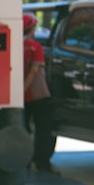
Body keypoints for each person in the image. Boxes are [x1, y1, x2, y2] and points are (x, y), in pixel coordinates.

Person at [23, 13, 59, 174]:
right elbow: (34, 70)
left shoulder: (14, 45)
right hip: (38, 94)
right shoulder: (35, 47)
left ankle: (23, 161)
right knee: (44, 130)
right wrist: (25, 87)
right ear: (31, 29)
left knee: (22, 129)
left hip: (20, 98)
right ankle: (42, 162)